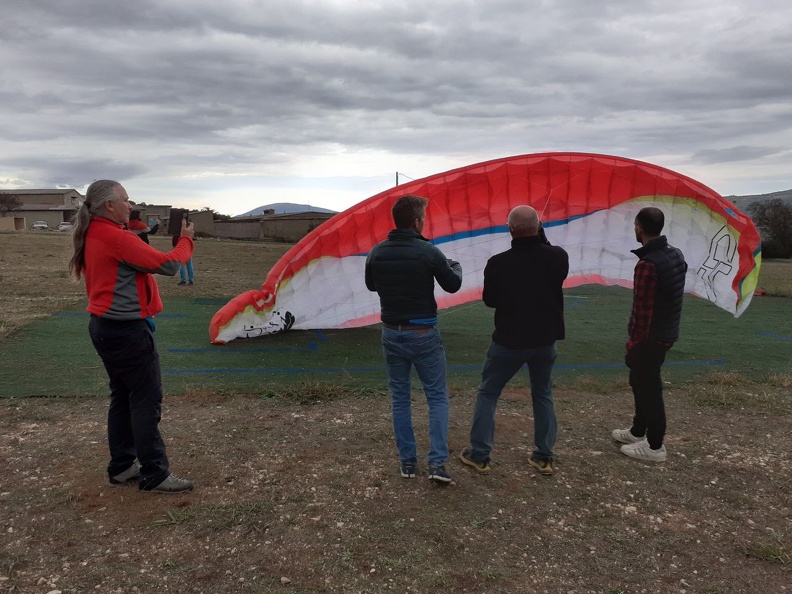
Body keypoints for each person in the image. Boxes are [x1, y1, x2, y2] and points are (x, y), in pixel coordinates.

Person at [69, 180, 196, 493]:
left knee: (123, 399)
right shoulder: (113, 237)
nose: (130, 205)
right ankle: (154, 473)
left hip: (104, 327)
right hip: (126, 331)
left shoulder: (96, 232)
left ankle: (123, 467)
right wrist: (186, 241)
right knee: (145, 401)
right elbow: (169, 266)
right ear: (110, 206)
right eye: (125, 200)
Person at [459, 205, 568, 476]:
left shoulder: (498, 263)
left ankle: (480, 455)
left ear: (509, 230)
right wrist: (540, 233)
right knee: (542, 394)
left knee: (488, 392)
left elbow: (490, 301)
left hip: (508, 341)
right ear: (539, 228)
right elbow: (554, 265)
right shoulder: (557, 257)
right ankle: (544, 457)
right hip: (544, 341)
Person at [365, 195, 463, 484]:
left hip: (391, 333)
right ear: (417, 221)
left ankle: (407, 463)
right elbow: (453, 284)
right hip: (423, 336)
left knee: (400, 398)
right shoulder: (428, 251)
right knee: (436, 397)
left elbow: (371, 285)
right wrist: (453, 264)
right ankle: (437, 464)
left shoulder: (377, 251)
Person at [612, 206, 687, 462]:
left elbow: (642, 311)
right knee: (638, 381)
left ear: (639, 228)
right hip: (666, 332)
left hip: (651, 338)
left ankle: (655, 447)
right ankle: (637, 431)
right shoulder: (675, 254)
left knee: (649, 388)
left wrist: (633, 344)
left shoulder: (647, 265)